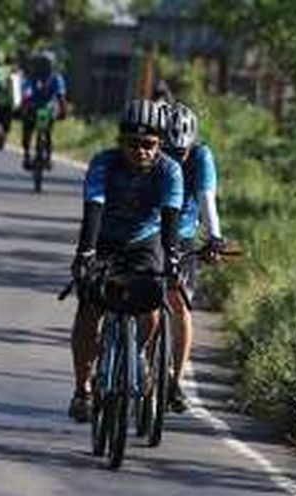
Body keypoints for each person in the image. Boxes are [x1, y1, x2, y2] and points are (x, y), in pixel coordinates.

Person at [68, 99, 184, 423]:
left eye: (149, 144)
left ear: (160, 144)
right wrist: (85, 256)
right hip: (104, 239)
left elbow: (170, 219)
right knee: (89, 306)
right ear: (120, 142)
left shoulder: (169, 170)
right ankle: (82, 390)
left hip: (145, 242)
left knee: (152, 302)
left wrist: (172, 262)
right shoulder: (104, 163)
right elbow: (93, 207)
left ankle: (140, 355)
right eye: (133, 144)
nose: (141, 151)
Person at [164, 102, 224, 412]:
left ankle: (174, 381)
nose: (176, 158)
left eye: (182, 152)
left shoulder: (201, 156)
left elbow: (206, 198)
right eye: (170, 151)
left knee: (180, 304)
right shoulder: (153, 153)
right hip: (150, 231)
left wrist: (214, 237)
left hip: (184, 234)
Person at [20, 50, 67, 170]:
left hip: (47, 109)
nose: (44, 67)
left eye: (46, 64)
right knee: (28, 131)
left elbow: (61, 95)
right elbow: (26, 91)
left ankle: (48, 157)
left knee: (46, 133)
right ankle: (27, 155)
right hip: (33, 107)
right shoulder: (32, 77)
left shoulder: (56, 78)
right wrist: (24, 105)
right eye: (42, 64)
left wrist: (63, 110)